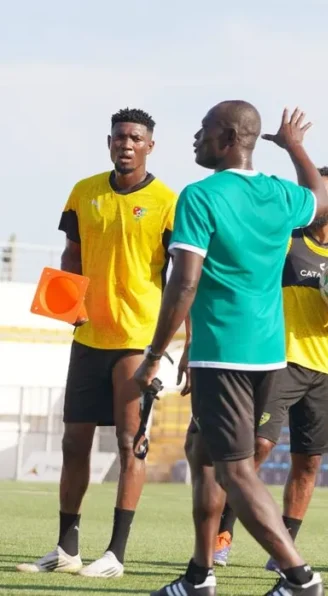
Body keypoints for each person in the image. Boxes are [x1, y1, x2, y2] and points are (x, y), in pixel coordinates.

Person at [135, 102, 328, 596]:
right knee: (201, 453)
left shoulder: (199, 196)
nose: (196, 138)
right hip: (266, 354)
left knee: (235, 470)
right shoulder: (279, 194)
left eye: (203, 130)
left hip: (224, 353)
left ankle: (300, 577)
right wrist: (295, 147)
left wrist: (155, 354)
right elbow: (322, 199)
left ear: (227, 137)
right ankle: (200, 575)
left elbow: (184, 283)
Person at [16, 108, 180, 579]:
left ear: (150, 146)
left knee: (131, 444)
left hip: (136, 340)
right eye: (119, 137)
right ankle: (66, 549)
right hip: (88, 337)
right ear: (108, 142)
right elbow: (72, 255)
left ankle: (115, 554)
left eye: (135, 138)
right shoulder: (83, 192)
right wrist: (70, 307)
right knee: (73, 443)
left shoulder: (168, 202)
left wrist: (174, 342)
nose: (126, 144)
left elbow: (182, 275)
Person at [211, 166, 328, 571]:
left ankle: (284, 549)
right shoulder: (285, 241)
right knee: (258, 448)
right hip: (279, 360)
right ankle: (221, 534)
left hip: (324, 369)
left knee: (309, 462)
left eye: (321, 194)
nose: (313, 200)